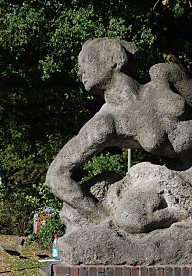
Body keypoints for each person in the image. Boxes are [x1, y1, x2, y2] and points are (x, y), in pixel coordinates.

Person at [46, 37, 192, 216]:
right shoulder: (106, 122)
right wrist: (101, 215)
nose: (80, 69)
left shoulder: (162, 75)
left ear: (114, 58)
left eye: (85, 60)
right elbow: (56, 176)